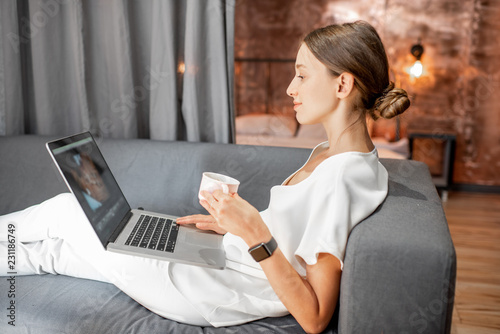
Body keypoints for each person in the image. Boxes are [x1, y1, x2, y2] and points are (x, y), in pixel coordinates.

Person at [0, 21, 409, 333]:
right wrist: (226, 229)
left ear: (342, 84)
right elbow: (297, 236)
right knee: (50, 254)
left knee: (65, 211)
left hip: (210, 289)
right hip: (223, 263)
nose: (290, 88)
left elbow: (315, 316)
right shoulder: (336, 155)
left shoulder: (344, 176)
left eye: (302, 75)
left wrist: (253, 232)